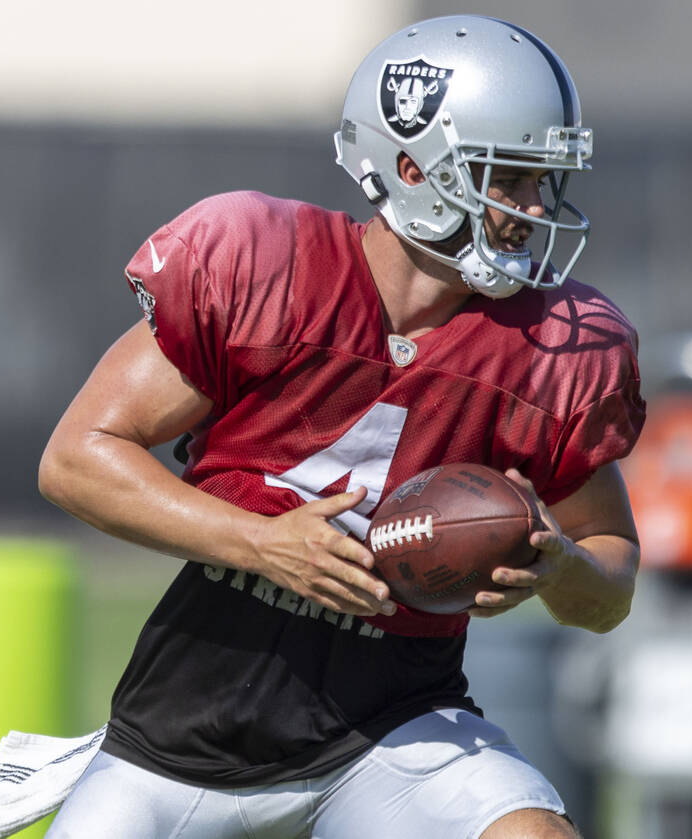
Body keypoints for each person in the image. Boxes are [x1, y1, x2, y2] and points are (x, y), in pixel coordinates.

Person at [34, 15, 644, 839]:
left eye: (546, 181)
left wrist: (559, 567)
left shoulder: (548, 346)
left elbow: (612, 577)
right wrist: (263, 542)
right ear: (411, 167)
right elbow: (76, 458)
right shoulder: (266, 266)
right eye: (513, 178)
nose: (536, 209)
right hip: (181, 745)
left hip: (394, 733)